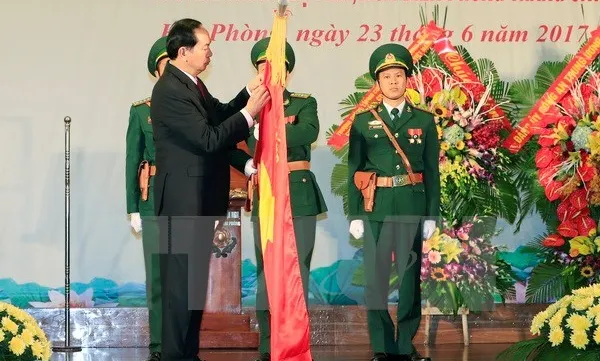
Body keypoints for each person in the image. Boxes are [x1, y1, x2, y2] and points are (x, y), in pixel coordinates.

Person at [150, 18, 269, 361]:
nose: (210, 52)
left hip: (199, 203)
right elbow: (209, 139)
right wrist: (250, 114)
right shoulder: (171, 89)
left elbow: (219, 116)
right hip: (182, 203)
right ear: (183, 51)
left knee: (192, 290)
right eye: (205, 46)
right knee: (178, 294)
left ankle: (188, 355)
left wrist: (248, 93)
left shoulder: (192, 83)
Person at [347, 43, 440, 361]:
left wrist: (431, 216)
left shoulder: (425, 122)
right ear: (378, 82)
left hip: (411, 207)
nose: (393, 81)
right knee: (375, 279)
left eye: (398, 75)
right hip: (376, 209)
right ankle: (382, 346)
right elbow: (354, 169)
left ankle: (405, 345)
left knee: (410, 278)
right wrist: (355, 214)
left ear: (407, 79)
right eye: (386, 76)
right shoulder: (362, 122)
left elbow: (432, 172)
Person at [244, 37, 328, 361]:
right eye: (262, 66)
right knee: (267, 276)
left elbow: (308, 132)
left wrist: (267, 128)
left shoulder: (304, 103)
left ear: (287, 72)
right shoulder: (250, 106)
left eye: (275, 66)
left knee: (297, 273)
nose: (268, 71)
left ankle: (293, 347)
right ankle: (267, 347)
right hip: (266, 198)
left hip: (299, 194)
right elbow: (229, 138)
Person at [125, 36, 169, 361]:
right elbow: (132, 159)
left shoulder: (197, 108)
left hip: (186, 201)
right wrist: (132, 208)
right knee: (156, 277)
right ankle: (158, 347)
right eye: (166, 67)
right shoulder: (142, 112)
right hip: (153, 199)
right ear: (156, 71)